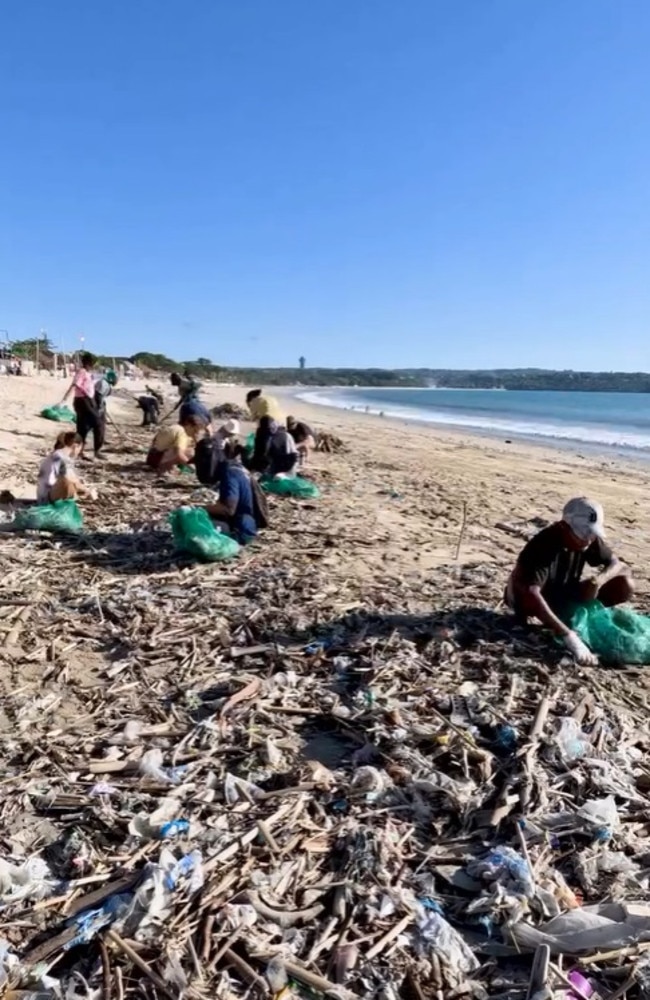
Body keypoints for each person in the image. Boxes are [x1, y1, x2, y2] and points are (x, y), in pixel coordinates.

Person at [506, 497, 633, 666]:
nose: (587, 540)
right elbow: (531, 594)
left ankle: (578, 618)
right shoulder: (541, 546)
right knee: (530, 597)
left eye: (591, 534)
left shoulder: (588, 539)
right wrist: (569, 637)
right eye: (582, 535)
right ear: (564, 526)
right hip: (529, 599)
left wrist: (598, 580)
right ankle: (561, 625)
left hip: (564, 592)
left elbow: (619, 565)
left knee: (625, 584)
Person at [204, 457, 261, 544]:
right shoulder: (240, 470)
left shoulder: (229, 474)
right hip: (249, 525)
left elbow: (229, 510)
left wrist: (199, 508)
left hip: (240, 530)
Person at [61, 352, 102, 460]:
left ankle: (79, 451)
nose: (93, 366)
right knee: (98, 423)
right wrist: (65, 398)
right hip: (83, 401)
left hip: (88, 400)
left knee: (83, 427)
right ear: (88, 363)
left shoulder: (88, 373)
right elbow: (75, 384)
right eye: (92, 364)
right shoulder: (82, 372)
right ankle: (97, 450)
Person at [36, 432, 96, 504]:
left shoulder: (57, 454)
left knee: (72, 483)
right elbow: (71, 480)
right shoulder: (63, 458)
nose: (78, 452)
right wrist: (87, 491)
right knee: (69, 483)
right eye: (79, 449)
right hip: (47, 499)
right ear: (75, 446)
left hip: (43, 495)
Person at [246, 389, 284, 472]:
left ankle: (256, 467)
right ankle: (270, 465)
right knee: (273, 446)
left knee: (261, 446)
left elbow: (254, 418)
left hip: (268, 421)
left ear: (250, 398)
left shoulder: (254, 401)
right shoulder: (270, 398)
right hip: (280, 423)